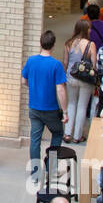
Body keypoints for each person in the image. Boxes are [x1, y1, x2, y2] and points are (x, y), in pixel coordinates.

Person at [22, 30, 67, 173]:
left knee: (35, 138)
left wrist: (34, 86)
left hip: (34, 107)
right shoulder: (56, 65)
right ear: (53, 45)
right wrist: (65, 111)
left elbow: (24, 81)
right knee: (58, 133)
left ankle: (35, 171)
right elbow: (60, 89)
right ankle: (51, 167)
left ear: (40, 43)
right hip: (51, 108)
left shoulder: (31, 61)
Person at [62, 19, 96, 144]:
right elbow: (94, 64)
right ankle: (77, 136)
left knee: (71, 104)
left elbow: (65, 62)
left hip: (71, 76)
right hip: (85, 79)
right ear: (86, 30)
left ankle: (67, 133)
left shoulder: (68, 43)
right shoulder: (90, 44)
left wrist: (64, 77)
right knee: (82, 106)